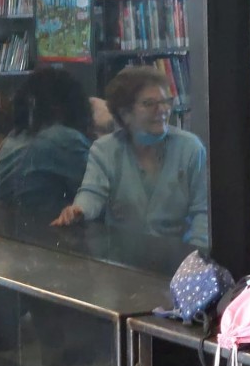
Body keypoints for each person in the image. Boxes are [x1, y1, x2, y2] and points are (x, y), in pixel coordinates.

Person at [51, 66, 209, 248]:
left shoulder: (190, 148)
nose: (162, 109)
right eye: (149, 104)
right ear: (125, 114)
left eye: (166, 101)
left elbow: (203, 212)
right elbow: (92, 193)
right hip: (122, 258)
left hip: (178, 258)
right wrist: (78, 210)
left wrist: (196, 255)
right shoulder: (105, 150)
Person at [0, 67, 94, 218]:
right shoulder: (65, 139)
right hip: (52, 228)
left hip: (13, 228)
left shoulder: (11, 139)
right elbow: (98, 191)